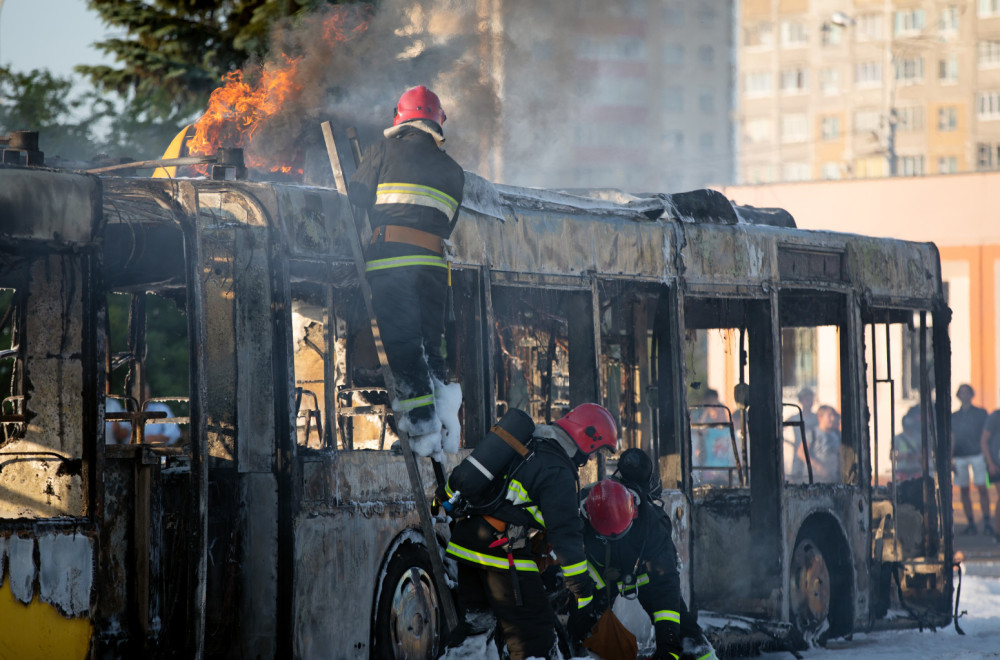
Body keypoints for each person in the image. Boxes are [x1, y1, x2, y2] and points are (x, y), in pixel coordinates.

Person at [443, 403, 618, 659]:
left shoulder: (531, 445)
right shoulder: (557, 469)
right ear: (587, 437)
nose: (591, 458)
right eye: (595, 451)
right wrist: (581, 586)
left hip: (469, 544)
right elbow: (565, 533)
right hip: (501, 553)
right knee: (534, 638)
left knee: (475, 630)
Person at [347, 85, 465, 455]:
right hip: (433, 270)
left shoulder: (382, 150)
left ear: (400, 119)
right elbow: (447, 225)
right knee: (431, 347)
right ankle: (446, 430)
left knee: (403, 347)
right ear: (436, 123)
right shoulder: (454, 171)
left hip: (391, 264)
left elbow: (357, 198)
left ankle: (422, 434)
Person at [573, 457, 717, 660]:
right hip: (600, 578)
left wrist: (668, 646)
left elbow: (665, 587)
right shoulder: (578, 516)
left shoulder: (653, 525)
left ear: (633, 510)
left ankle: (703, 656)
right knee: (583, 625)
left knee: (682, 629)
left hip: (644, 573)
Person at [951, 384, 990, 535]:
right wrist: (950, 458)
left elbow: (986, 435)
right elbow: (952, 437)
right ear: (958, 396)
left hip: (977, 454)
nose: (964, 395)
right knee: (964, 490)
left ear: (971, 395)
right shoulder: (954, 416)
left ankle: (986, 521)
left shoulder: (980, 413)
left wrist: (987, 455)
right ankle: (971, 523)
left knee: (982, 487)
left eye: (967, 392)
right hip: (960, 456)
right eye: (962, 393)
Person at [980, 405, 1000, 541]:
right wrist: (990, 463)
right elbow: (983, 441)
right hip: (996, 464)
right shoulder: (995, 416)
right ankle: (998, 533)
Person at [809, 405, 841, 483]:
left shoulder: (837, 434)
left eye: (833, 416)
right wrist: (818, 466)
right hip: (816, 478)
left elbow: (840, 454)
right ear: (820, 417)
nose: (832, 419)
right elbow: (801, 452)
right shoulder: (813, 433)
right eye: (829, 415)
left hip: (833, 477)